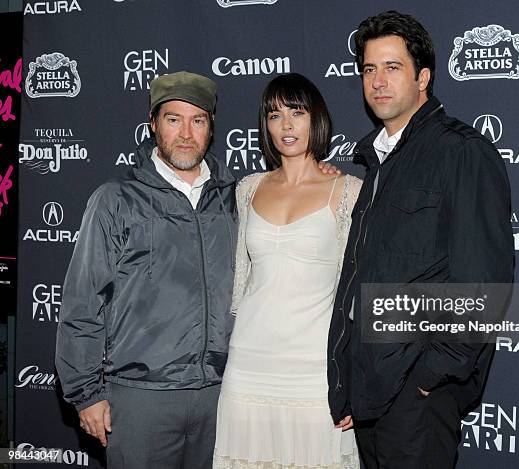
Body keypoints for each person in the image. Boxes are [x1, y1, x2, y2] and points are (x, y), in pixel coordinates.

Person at [327, 11, 514, 469]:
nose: (378, 81)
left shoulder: (461, 151)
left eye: (393, 67)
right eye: (369, 69)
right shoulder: (376, 161)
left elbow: (483, 283)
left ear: (423, 77)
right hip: (371, 385)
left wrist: (430, 375)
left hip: (418, 394)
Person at [55, 71, 237, 469]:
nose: (186, 133)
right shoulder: (115, 200)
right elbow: (83, 303)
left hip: (222, 399)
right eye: (174, 119)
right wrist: (86, 393)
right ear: (153, 124)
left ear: (211, 128)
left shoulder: (236, 198)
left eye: (198, 120)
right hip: (140, 399)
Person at [213, 73, 361, 469]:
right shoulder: (247, 189)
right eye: (275, 115)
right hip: (248, 364)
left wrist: (350, 378)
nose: (287, 125)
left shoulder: (349, 191)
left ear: (317, 119)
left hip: (315, 369)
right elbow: (242, 282)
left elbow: (357, 294)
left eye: (297, 112)